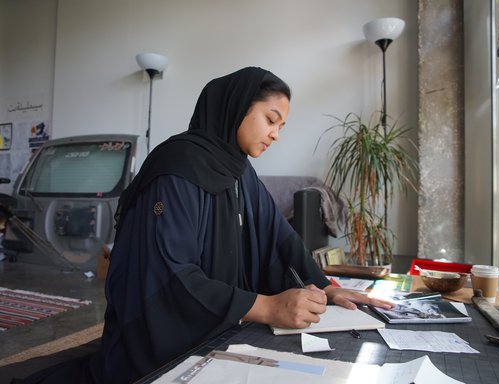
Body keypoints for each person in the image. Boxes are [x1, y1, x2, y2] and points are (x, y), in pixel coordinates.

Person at [12, 66, 393, 384]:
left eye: (282, 125)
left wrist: (325, 287)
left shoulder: (241, 171)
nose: (276, 133)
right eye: (271, 119)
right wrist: (264, 307)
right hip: (158, 343)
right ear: (238, 107)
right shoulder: (177, 168)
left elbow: (279, 235)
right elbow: (167, 275)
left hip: (222, 323)